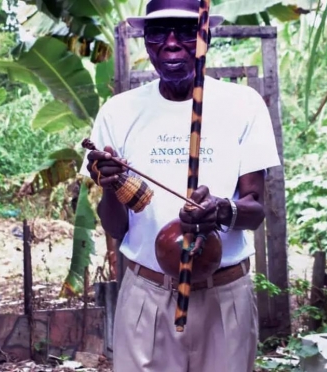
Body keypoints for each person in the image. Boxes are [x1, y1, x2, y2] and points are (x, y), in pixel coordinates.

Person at [80, 0, 281, 371]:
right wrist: (110, 185)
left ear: (206, 35)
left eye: (186, 31)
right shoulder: (118, 112)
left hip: (225, 296)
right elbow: (114, 227)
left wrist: (221, 210)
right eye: (159, 32)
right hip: (147, 295)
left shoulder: (243, 105)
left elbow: (255, 212)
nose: (172, 43)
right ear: (146, 41)